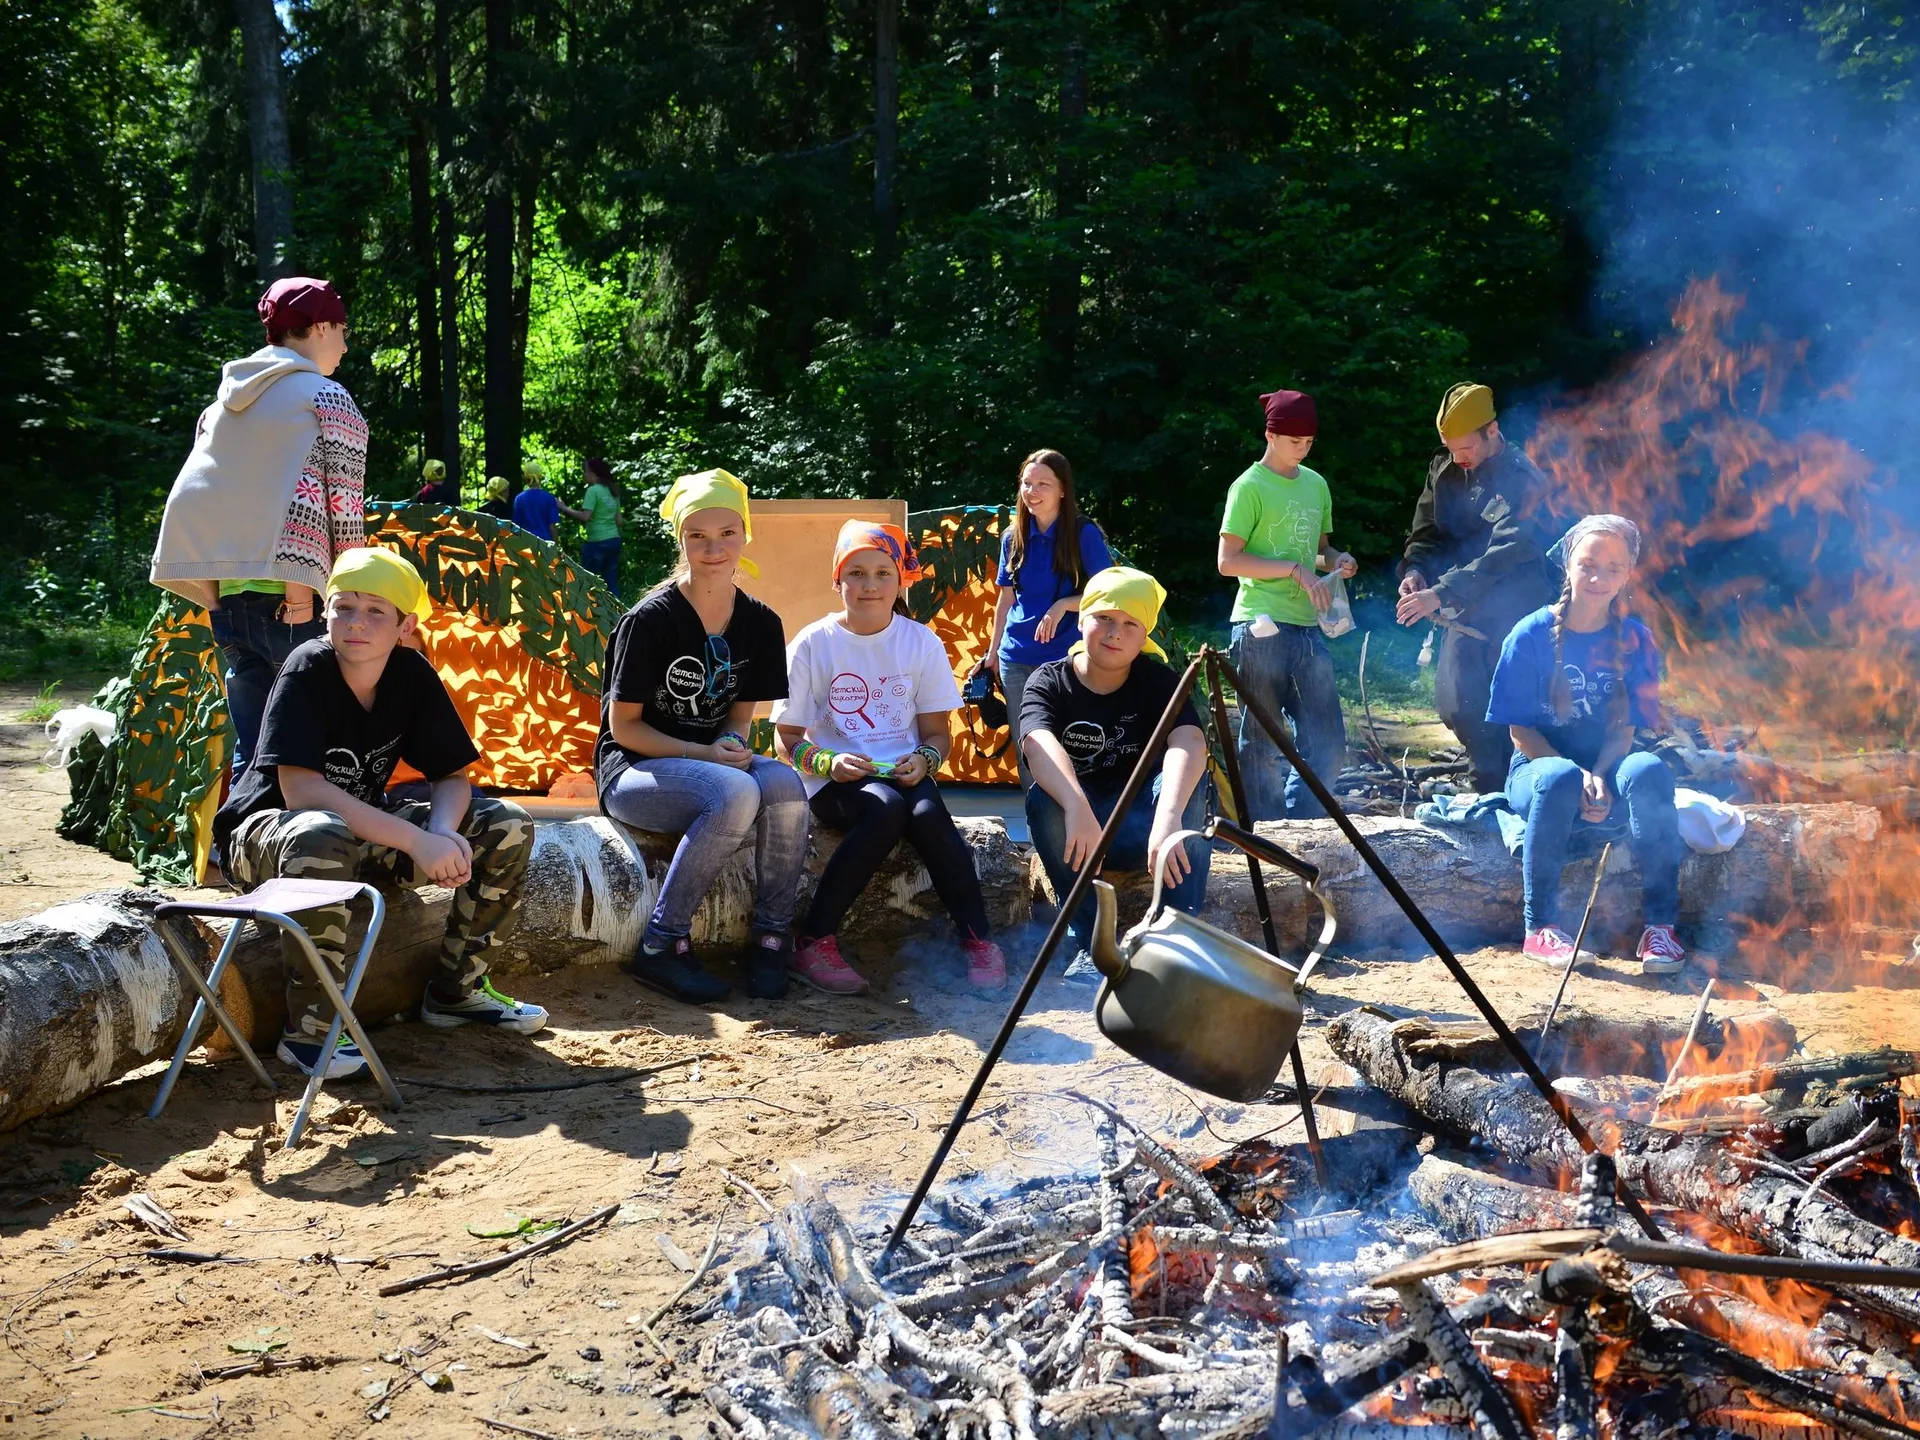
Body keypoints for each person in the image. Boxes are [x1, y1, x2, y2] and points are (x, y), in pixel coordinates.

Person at [212, 547, 547, 1080]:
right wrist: (416, 843)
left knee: (506, 823)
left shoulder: (410, 673)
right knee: (320, 833)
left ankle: (456, 992)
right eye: (344, 607)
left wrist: (441, 832)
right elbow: (300, 791)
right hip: (270, 837)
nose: (356, 624)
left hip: (358, 831)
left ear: (405, 625)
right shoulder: (307, 667)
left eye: (375, 612)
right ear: (324, 613)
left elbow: (453, 776)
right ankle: (312, 1034)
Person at [595, 469, 808, 1003]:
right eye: (697, 536)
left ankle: (771, 935)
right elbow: (624, 729)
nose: (714, 548)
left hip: (710, 762)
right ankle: (661, 946)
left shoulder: (761, 623)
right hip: (635, 771)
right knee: (735, 792)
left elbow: (739, 719)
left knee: (784, 783)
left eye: (727, 534)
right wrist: (706, 755)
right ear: (680, 539)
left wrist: (732, 745)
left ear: (746, 536)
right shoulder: (649, 620)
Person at [775, 521, 1009, 996]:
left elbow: (938, 735)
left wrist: (925, 760)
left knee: (926, 812)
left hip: (903, 773)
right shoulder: (811, 643)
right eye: (856, 572)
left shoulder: (920, 642)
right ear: (836, 581)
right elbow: (785, 739)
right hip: (831, 781)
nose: (869, 585)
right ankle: (814, 939)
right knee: (886, 809)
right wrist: (826, 762)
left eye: (883, 573)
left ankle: (978, 940)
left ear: (901, 579)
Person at [150, 276, 367, 781]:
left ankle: (242, 848)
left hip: (228, 605)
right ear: (318, 328)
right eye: (342, 329)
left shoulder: (221, 407)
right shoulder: (327, 400)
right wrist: (344, 599)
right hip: (301, 605)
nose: (345, 343)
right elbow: (342, 508)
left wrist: (213, 598)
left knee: (255, 752)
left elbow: (199, 499)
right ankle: (309, 852)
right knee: (317, 754)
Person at [1486, 514, 1684, 976]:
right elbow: (1520, 732)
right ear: (1567, 566)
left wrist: (1598, 773)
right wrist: (1575, 779)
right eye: (1588, 564)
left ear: (1628, 574)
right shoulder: (1530, 634)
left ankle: (1661, 929)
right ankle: (1540, 928)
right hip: (1537, 772)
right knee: (1557, 777)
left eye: (1614, 568)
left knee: (1649, 771)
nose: (1599, 578)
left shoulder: (1637, 639)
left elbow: (1624, 729)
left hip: (1604, 770)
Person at [1022, 567, 1211, 985]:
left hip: (1146, 829)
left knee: (1189, 784)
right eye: (1104, 617)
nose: (1115, 632)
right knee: (1041, 799)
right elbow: (1037, 744)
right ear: (1082, 618)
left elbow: (1190, 743)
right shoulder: (1050, 680)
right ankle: (1091, 943)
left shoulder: (1157, 680)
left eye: (1130, 624)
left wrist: (1168, 816)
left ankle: (1176, 934)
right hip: (1081, 837)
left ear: (1144, 637)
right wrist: (1076, 805)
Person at [1395, 383, 1558, 793]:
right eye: (1450, 448)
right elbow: (1426, 529)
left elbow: (1507, 549)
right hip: (1463, 608)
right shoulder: (1446, 468)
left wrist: (1442, 592)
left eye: (1465, 448)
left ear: (1492, 431)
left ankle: (1505, 790)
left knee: (1515, 708)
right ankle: (1493, 785)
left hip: (1515, 610)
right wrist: (1416, 570)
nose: (1457, 458)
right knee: (1456, 705)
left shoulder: (1524, 479)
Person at [1216, 389, 1356, 820]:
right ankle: (1268, 841)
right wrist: (1294, 571)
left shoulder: (1316, 485)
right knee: (1261, 742)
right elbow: (1228, 561)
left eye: (1309, 442)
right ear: (1270, 435)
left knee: (1328, 743)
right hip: (1260, 625)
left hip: (1309, 627)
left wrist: (1338, 561)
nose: (1303, 449)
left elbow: (1318, 552)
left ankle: (1301, 830)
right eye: (1295, 441)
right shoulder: (1249, 487)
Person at [972, 450, 1115, 786]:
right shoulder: (1012, 536)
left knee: (1073, 746)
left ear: (1063, 490)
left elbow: (1109, 595)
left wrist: (1064, 604)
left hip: (1067, 660)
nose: (1032, 491)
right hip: (1016, 659)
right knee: (1030, 749)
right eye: (1027, 483)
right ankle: (1040, 834)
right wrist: (992, 654)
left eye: (1043, 484)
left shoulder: (1084, 534)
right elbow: (1005, 599)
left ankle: (1081, 828)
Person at [563, 457, 623, 599]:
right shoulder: (612, 491)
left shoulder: (593, 491)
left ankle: (591, 614)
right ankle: (618, 614)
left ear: (592, 473)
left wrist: (564, 508)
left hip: (597, 541)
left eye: (585, 472)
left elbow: (586, 517)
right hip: (614, 540)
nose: (584, 475)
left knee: (589, 582)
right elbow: (619, 520)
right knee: (611, 582)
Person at [512, 459, 561, 541]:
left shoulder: (519, 498)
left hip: (526, 543)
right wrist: (555, 548)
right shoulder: (548, 497)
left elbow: (516, 526)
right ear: (540, 477)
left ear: (525, 477)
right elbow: (552, 526)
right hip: (545, 544)